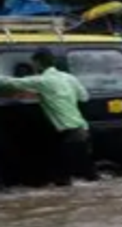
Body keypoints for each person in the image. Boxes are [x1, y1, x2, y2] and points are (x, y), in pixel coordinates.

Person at [0, 49, 98, 186]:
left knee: (62, 179)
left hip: (68, 135)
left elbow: (10, 83)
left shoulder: (43, 81)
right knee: (88, 177)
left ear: (38, 64)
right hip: (83, 131)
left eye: (33, 64)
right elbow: (84, 97)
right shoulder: (69, 78)